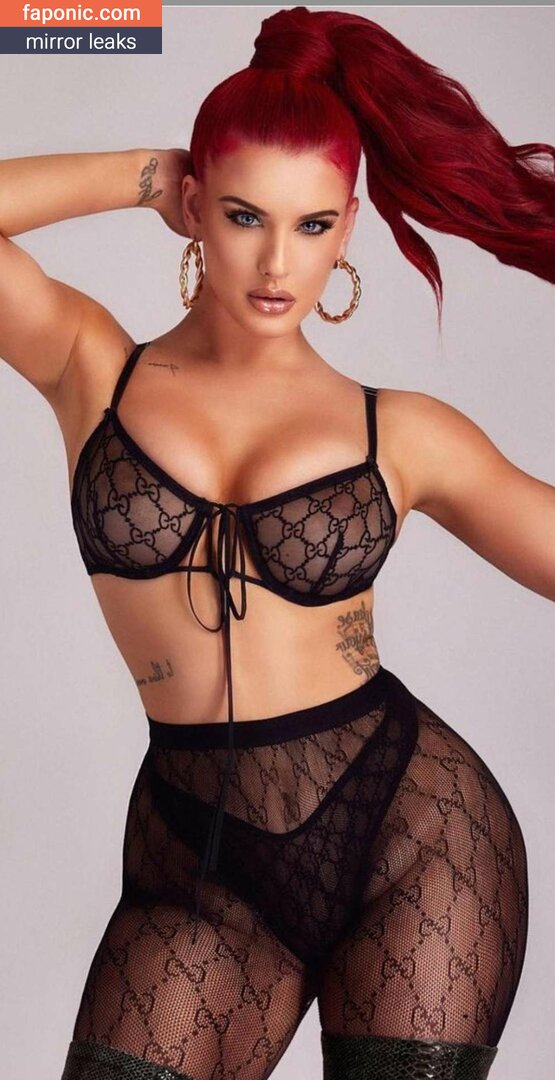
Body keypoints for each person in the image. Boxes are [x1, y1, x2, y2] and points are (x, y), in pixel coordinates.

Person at [1, 7, 553, 1079]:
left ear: (347, 231)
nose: (274, 261)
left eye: (312, 225)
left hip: (413, 833)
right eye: (244, 214)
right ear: (196, 207)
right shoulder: (92, 368)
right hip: (194, 853)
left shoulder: (400, 432)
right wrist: (143, 174)